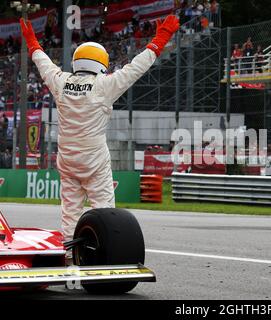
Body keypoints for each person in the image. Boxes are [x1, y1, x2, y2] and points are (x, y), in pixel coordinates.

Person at [20, 16, 180, 259]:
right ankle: (107, 255)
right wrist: (159, 40)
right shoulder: (105, 85)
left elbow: (43, 63)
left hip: (67, 159)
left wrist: (32, 41)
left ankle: (68, 257)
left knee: (70, 212)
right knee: (105, 211)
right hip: (94, 160)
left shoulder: (61, 81)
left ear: (76, 62)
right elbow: (135, 67)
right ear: (101, 64)